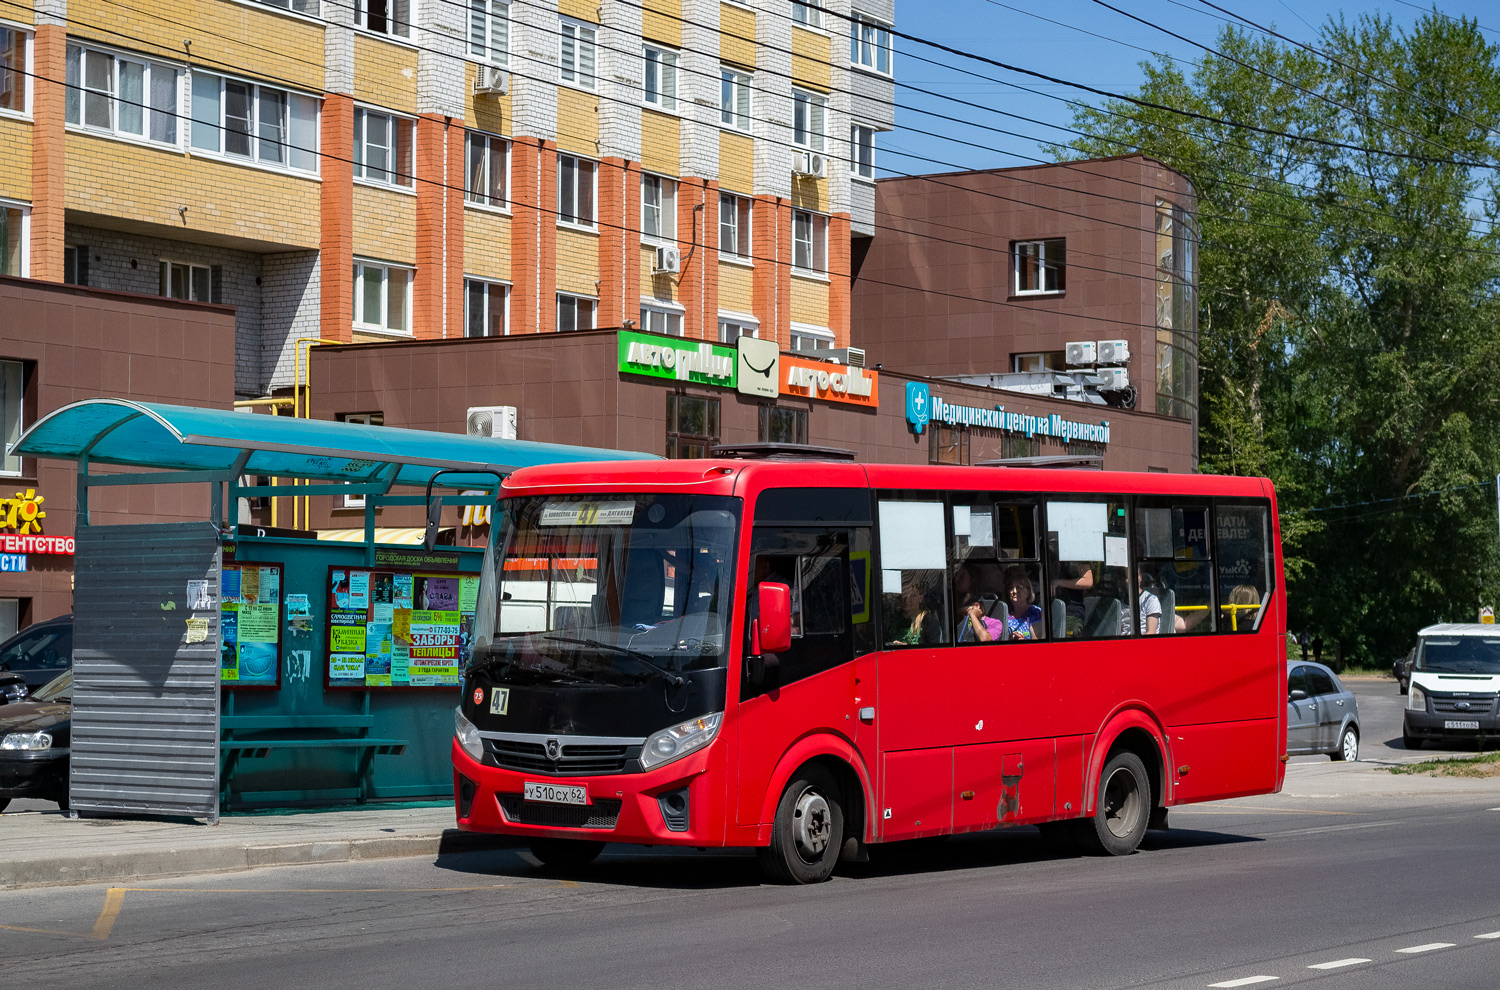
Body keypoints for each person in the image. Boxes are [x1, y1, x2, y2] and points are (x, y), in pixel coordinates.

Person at [1002, 566, 1043, 640]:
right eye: (1011, 588)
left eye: (1019, 587)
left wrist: (1023, 641)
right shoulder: (1004, 612)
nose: (1014, 591)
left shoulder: (1035, 613)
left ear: (1028, 591)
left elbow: (1036, 642)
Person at [1137, 564, 1162, 635]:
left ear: (1140, 577)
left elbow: (1151, 633)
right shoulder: (1119, 602)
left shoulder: (1150, 600)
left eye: (1135, 575)